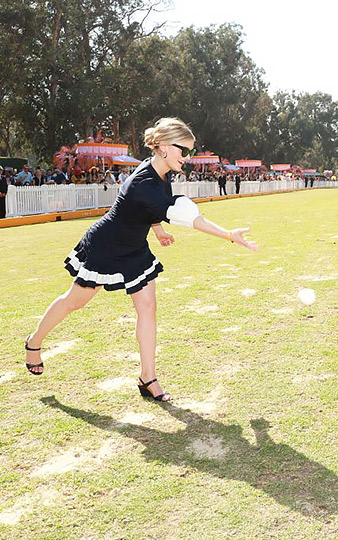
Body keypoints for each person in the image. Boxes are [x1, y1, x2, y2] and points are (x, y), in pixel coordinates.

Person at [23, 117, 258, 402]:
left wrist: (157, 231)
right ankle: (34, 342)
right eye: (183, 150)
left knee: (148, 307)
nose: (188, 158)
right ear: (162, 147)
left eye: (190, 151)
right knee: (76, 301)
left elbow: (152, 209)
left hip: (134, 247)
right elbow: (188, 217)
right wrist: (229, 235)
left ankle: (148, 378)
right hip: (107, 245)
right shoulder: (142, 182)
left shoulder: (162, 171)